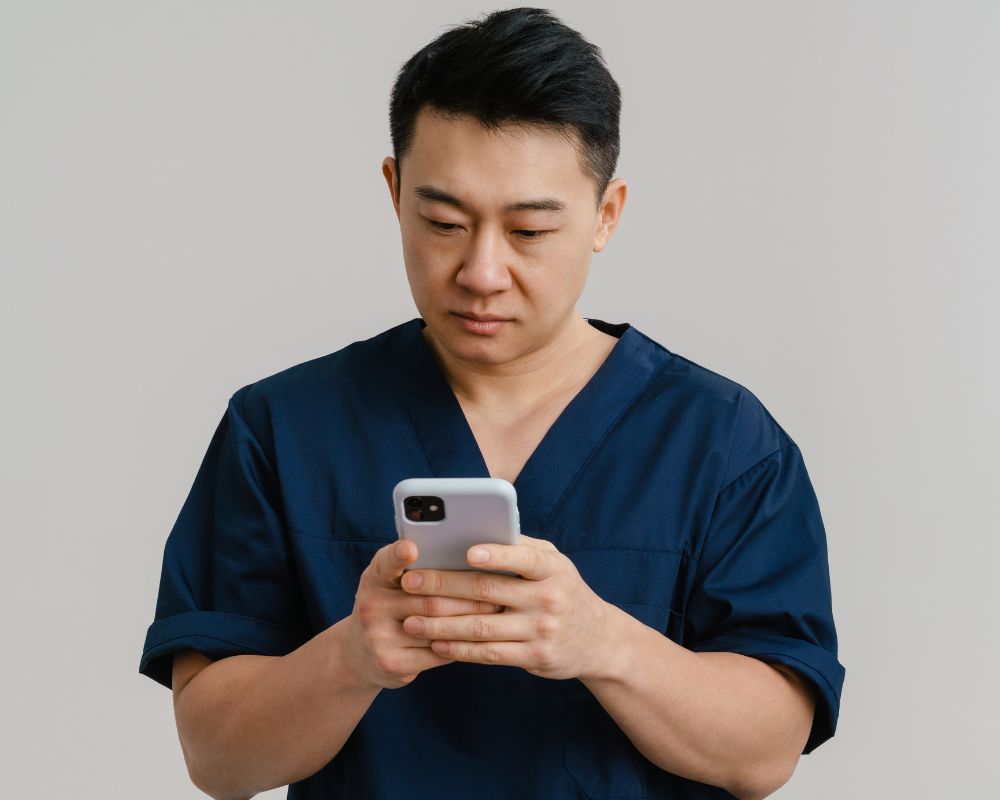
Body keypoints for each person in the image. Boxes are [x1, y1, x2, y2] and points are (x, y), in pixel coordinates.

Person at [138, 8, 845, 799]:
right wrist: (352, 656)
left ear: (606, 215)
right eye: (442, 222)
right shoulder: (281, 429)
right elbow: (217, 759)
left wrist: (602, 641)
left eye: (530, 231)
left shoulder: (722, 444)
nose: (481, 271)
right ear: (394, 190)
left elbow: (765, 754)